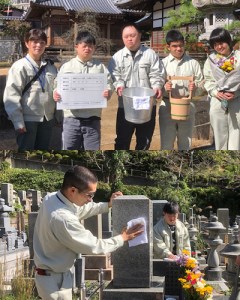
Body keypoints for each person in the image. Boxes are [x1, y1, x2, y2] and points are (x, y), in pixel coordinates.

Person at [33, 165, 144, 300]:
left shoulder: (52, 198)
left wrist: (108, 204)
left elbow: (80, 210)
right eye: (89, 195)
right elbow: (95, 246)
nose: (90, 199)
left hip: (52, 275)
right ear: (73, 190)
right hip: (54, 281)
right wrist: (122, 238)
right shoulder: (63, 219)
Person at [108, 23, 165, 150]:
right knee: (122, 140)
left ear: (139, 35)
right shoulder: (116, 58)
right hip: (126, 105)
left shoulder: (151, 54)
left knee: (144, 140)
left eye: (132, 35)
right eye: (126, 36)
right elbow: (115, 75)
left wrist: (156, 86)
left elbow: (157, 73)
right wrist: (119, 85)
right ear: (122, 38)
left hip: (147, 105)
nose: (130, 39)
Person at [53, 31, 113, 150]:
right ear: (77, 47)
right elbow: (56, 86)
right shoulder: (67, 67)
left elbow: (109, 85)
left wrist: (108, 92)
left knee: (92, 150)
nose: (87, 48)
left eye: (90, 46)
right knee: (69, 149)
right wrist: (55, 93)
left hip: (92, 119)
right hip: (71, 118)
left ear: (94, 48)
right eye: (84, 45)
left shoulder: (100, 67)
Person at [3, 29, 58, 151]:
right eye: (34, 41)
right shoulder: (19, 66)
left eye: (42, 42)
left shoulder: (50, 67)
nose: (38, 45)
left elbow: (58, 91)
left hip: (47, 118)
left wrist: (57, 116)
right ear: (27, 43)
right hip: (27, 119)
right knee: (26, 151)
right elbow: (11, 96)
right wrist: (18, 121)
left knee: (43, 151)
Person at [203, 28, 240, 150]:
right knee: (219, 134)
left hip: (237, 99)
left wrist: (237, 92)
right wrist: (215, 92)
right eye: (215, 44)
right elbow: (208, 80)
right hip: (217, 100)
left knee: (236, 132)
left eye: (222, 43)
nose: (219, 47)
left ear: (229, 42)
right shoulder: (211, 59)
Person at [160, 29, 204, 150]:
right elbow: (156, 87)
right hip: (167, 106)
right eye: (174, 46)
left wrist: (196, 87)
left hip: (188, 105)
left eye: (181, 45)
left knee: (186, 142)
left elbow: (202, 85)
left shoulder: (193, 63)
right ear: (168, 47)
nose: (179, 49)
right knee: (166, 143)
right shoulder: (162, 64)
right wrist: (164, 88)